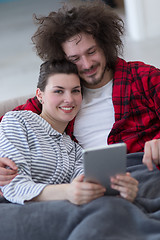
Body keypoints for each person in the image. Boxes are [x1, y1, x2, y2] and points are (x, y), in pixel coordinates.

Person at [0, 0, 159, 189]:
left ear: (105, 45)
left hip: (145, 172)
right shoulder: (58, 97)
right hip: (87, 186)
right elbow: (9, 122)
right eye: (75, 59)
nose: (86, 64)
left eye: (91, 52)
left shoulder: (143, 78)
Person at [0, 59, 138, 204]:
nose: (69, 99)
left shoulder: (75, 150)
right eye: (58, 91)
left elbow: (88, 187)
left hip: (62, 212)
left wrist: (120, 190)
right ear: (40, 95)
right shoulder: (17, 121)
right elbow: (13, 186)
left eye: (75, 91)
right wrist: (67, 191)